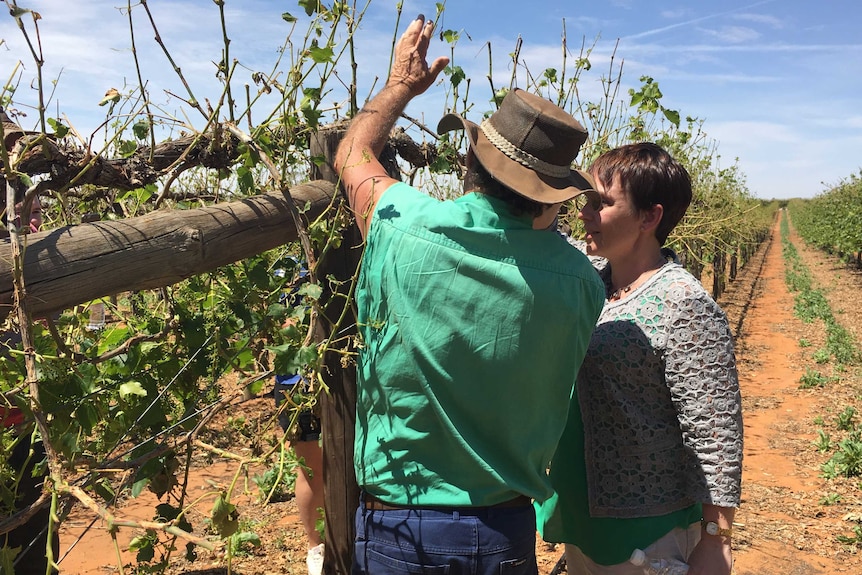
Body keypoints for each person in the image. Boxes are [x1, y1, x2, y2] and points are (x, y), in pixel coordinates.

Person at [334, 14, 606, 575]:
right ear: (551, 196)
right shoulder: (581, 281)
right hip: (504, 532)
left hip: (398, 531)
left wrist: (400, 86)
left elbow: (352, 155)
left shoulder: (402, 221)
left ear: (469, 162)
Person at [537, 143, 743, 575]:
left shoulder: (684, 303)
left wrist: (715, 539)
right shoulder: (590, 277)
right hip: (582, 511)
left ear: (650, 217)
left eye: (602, 203)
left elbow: (714, 433)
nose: (585, 213)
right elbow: (542, 229)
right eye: (585, 201)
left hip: (648, 527)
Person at [1, 189, 60, 575]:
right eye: (21, 217)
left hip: (27, 441)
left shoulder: (34, 281)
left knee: (35, 549)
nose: (34, 225)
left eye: (37, 213)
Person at [271, 261, 325, 575]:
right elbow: (282, 328)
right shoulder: (286, 270)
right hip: (298, 384)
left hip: (343, 377)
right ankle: (315, 548)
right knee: (311, 469)